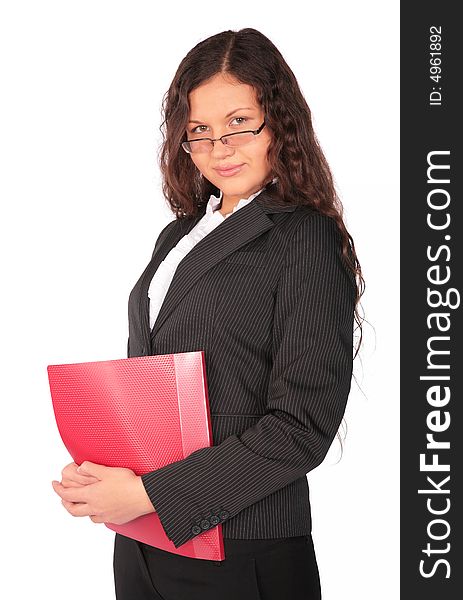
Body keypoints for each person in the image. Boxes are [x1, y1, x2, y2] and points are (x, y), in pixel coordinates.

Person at [52, 27, 364, 600]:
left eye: (240, 123)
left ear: (280, 123)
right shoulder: (177, 235)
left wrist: (147, 495)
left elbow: (301, 429)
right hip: (144, 547)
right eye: (201, 132)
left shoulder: (304, 238)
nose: (221, 147)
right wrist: (102, 476)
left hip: (241, 554)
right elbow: (154, 382)